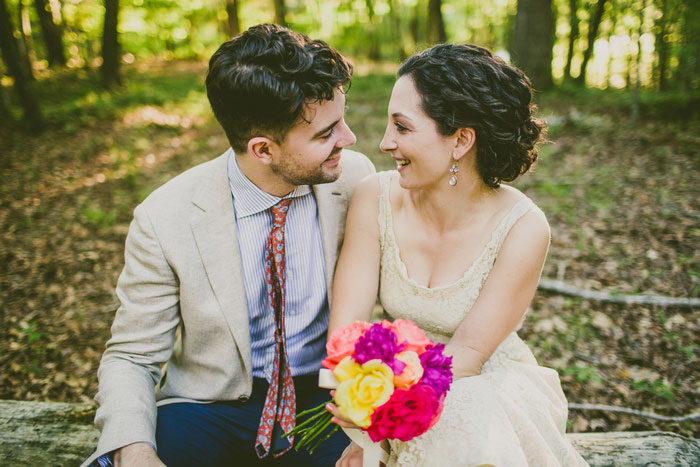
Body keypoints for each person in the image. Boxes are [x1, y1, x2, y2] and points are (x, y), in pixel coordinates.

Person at [81, 24, 375, 467]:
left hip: (327, 403)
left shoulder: (355, 180)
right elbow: (131, 356)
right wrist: (134, 448)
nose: (348, 139)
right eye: (326, 134)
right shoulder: (166, 216)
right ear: (262, 149)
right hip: (211, 409)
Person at [327, 44, 589, 466]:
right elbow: (347, 334)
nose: (384, 142)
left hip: (489, 385)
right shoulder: (373, 196)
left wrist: (386, 429)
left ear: (461, 140)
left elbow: (466, 357)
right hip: (393, 385)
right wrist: (364, 418)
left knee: (462, 421)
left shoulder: (523, 228)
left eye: (402, 127)